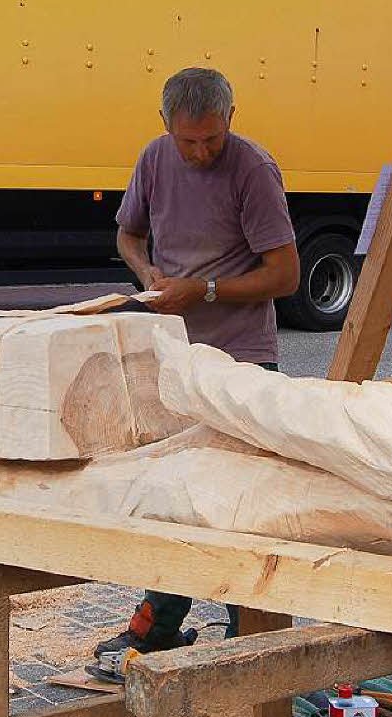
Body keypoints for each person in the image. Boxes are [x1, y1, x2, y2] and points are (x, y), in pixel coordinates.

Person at [96, 67, 299, 658]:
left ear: (230, 121)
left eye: (212, 138)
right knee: (177, 494)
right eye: (190, 141)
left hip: (240, 356)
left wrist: (203, 290)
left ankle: (252, 631)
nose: (202, 151)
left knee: (240, 498)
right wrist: (148, 277)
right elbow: (128, 237)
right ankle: (157, 627)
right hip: (176, 350)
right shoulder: (155, 158)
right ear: (166, 126)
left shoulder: (252, 169)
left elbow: (284, 275)